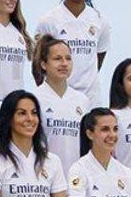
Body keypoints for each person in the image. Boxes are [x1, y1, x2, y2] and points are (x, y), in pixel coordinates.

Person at [34, 0, 109, 104]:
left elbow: (98, 59)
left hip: (91, 100)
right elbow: (38, 64)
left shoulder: (100, 21)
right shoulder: (49, 21)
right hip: (58, 98)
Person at [32, 36, 91, 174]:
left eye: (68, 58)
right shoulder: (34, 98)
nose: (64, 63)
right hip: (44, 177)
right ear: (43, 64)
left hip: (76, 180)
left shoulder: (82, 100)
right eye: (57, 59)